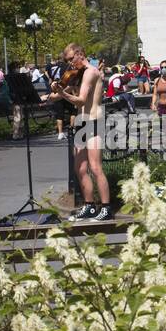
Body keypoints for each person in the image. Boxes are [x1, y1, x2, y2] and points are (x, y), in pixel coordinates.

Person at [52, 43, 112, 222]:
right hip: (81, 122)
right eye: (67, 61)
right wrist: (45, 96)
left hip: (94, 122)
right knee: (80, 168)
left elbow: (80, 100)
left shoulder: (91, 72)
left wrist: (62, 94)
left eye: (71, 59)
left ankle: (106, 208)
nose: (70, 64)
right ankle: (89, 205)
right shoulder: (77, 73)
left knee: (95, 167)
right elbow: (60, 93)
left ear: (80, 54)